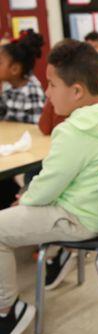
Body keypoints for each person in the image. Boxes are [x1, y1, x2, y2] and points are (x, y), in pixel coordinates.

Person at [0, 39, 98, 334]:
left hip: (80, 217)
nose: (47, 92)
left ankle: (8, 311)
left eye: (51, 84)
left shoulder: (74, 131)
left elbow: (48, 185)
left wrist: (26, 199)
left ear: (76, 91)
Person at [0, 29, 45, 208]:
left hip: (33, 153)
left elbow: (39, 129)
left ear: (15, 69)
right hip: (11, 147)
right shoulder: (9, 88)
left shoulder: (31, 90)